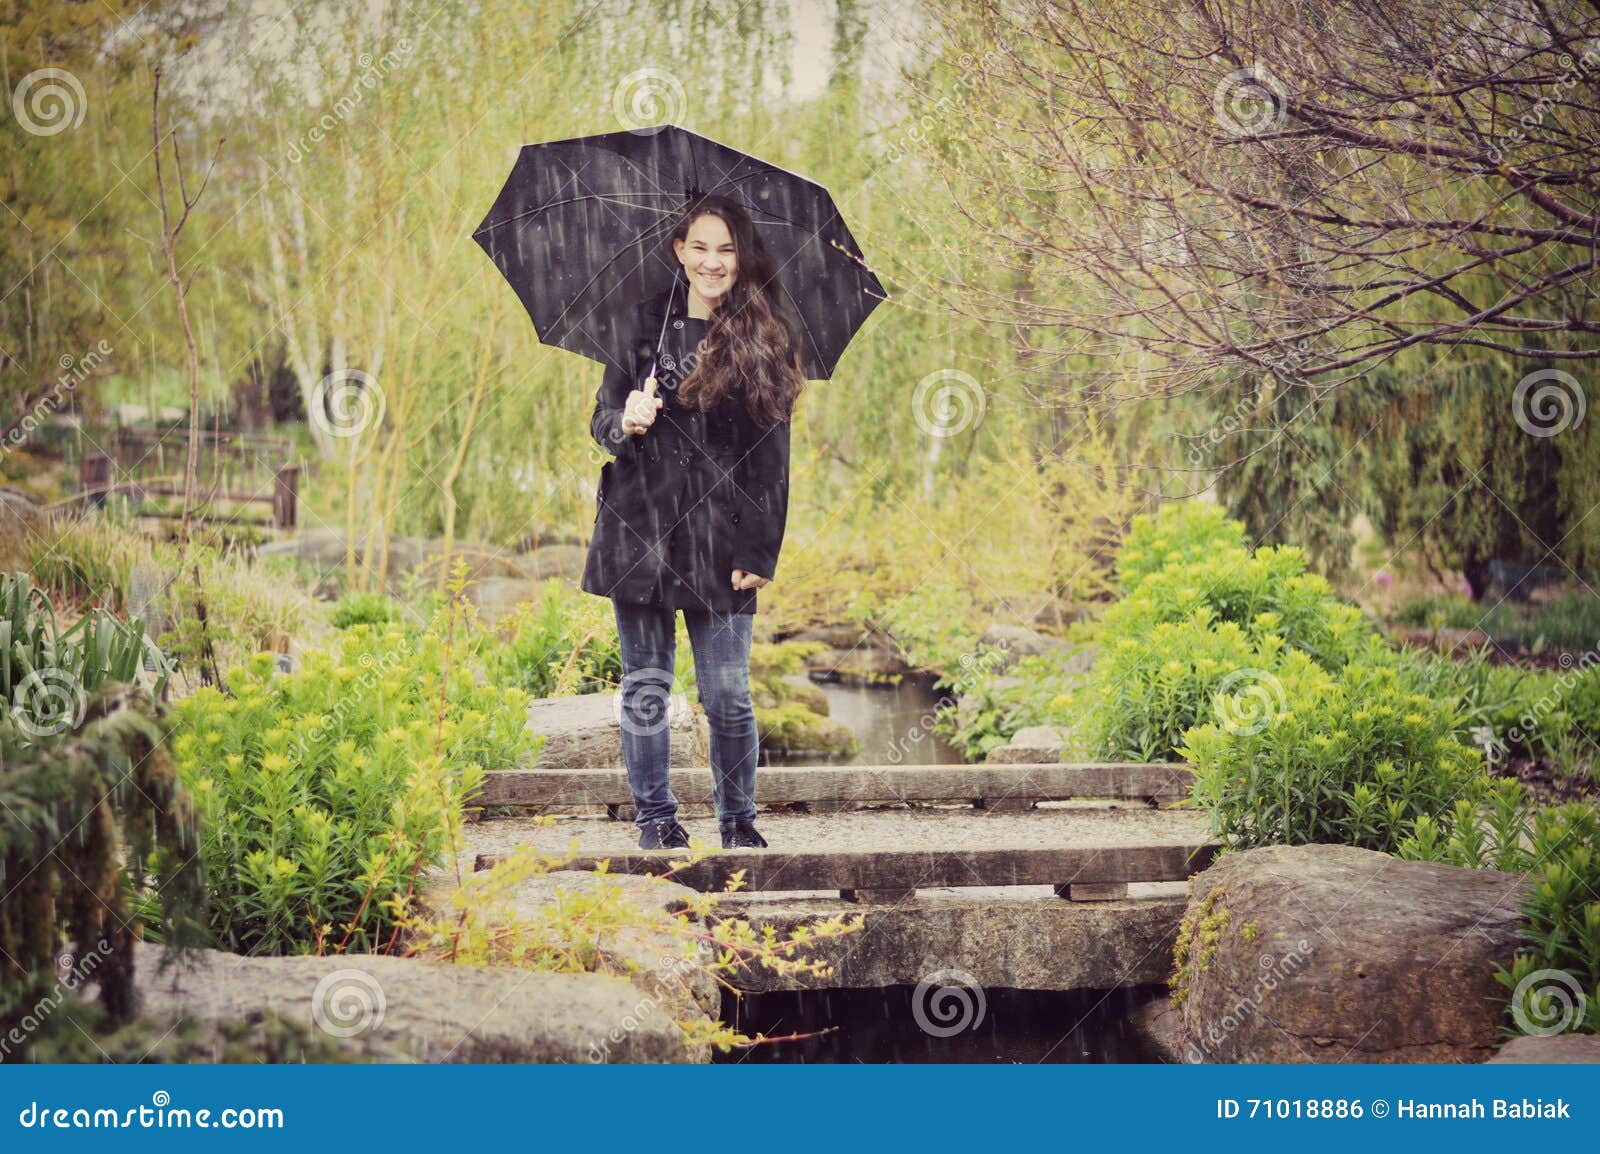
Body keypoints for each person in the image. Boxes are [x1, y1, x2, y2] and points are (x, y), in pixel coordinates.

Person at [580, 193, 806, 851]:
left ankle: (737, 820)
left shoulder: (765, 336)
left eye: (727, 249)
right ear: (679, 250)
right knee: (645, 686)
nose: (713, 261)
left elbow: (773, 461)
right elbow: (600, 421)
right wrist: (624, 421)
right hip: (640, 530)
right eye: (700, 247)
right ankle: (656, 819)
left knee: (728, 694)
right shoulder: (640, 325)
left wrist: (759, 551)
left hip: (721, 538)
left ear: (742, 258)